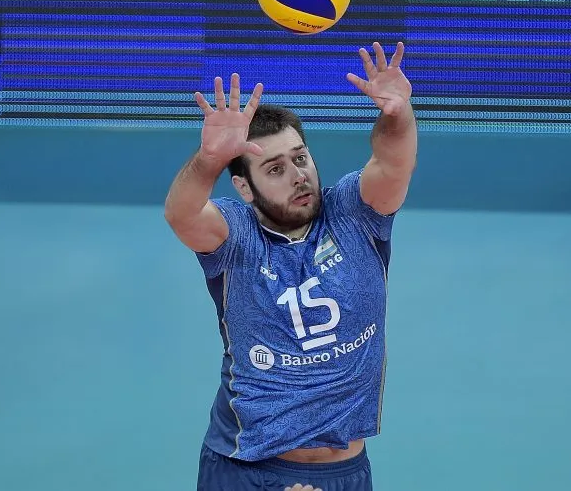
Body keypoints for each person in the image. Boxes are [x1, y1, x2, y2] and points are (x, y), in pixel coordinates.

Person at [164, 42, 418, 491]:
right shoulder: (237, 233)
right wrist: (208, 160)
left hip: (345, 471)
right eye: (276, 169)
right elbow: (183, 215)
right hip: (246, 468)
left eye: (300, 158)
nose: (298, 175)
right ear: (245, 187)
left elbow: (391, 162)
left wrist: (397, 114)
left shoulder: (353, 214)